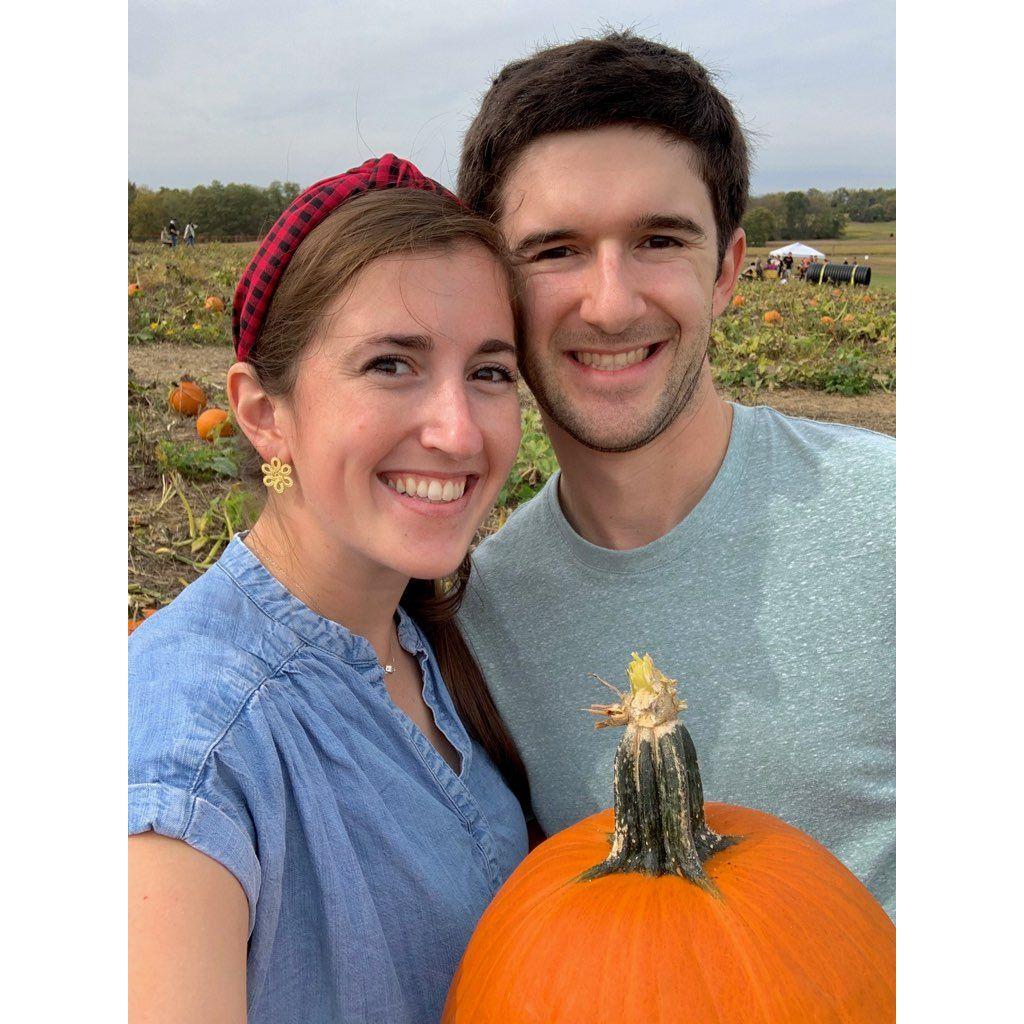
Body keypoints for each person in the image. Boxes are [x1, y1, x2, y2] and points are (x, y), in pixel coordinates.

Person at [455, 31, 895, 917]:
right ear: (493, 283)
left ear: (728, 270)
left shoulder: (904, 521)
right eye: (555, 250)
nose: (612, 303)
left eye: (659, 239)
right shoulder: (471, 621)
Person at [129, 156, 531, 1022]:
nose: (458, 430)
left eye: (491, 372)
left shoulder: (426, 637)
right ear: (263, 411)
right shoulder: (189, 755)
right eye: (392, 363)